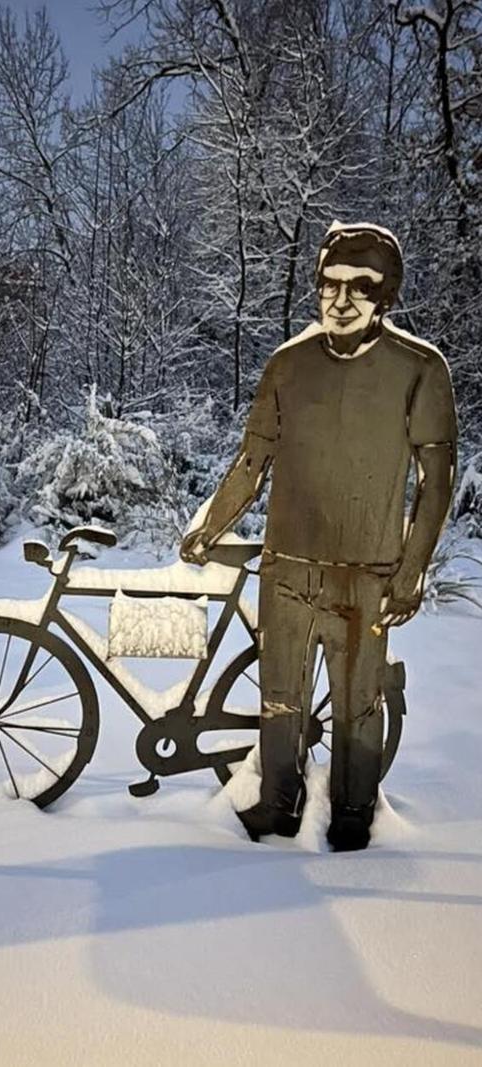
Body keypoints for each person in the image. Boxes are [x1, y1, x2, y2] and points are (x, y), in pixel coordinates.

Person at [180, 221, 457, 851]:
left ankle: (353, 810)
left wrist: (411, 570)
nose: (341, 299)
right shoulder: (289, 364)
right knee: (281, 697)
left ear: (386, 295)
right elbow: (254, 459)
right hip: (288, 565)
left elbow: (436, 479)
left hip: (369, 570)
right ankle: (279, 803)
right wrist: (209, 526)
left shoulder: (418, 368)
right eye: (330, 284)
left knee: (359, 702)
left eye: (361, 287)